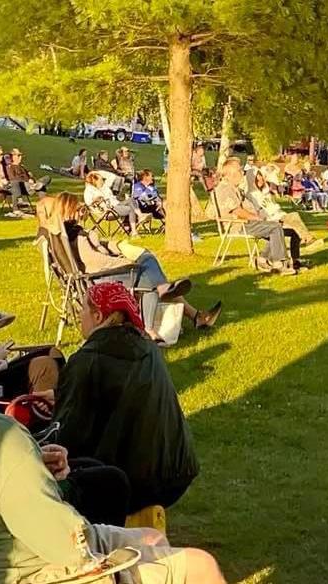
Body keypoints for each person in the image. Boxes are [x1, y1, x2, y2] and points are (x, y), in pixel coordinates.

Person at [0, 292, 225, 584]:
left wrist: (28, 465)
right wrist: (24, 465)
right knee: (199, 565)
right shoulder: (2, 439)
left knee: (153, 537)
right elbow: (69, 546)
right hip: (15, 572)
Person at [55, 282, 203, 513]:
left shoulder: (88, 360)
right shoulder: (148, 348)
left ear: (97, 315)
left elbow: (67, 436)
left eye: (83, 308)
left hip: (129, 485)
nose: (79, 315)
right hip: (176, 473)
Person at [44, 193, 222, 330]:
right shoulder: (77, 235)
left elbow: (95, 250)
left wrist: (114, 247)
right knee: (146, 259)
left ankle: (194, 314)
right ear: (69, 210)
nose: (83, 211)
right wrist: (124, 262)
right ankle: (174, 300)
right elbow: (94, 260)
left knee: (149, 265)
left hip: (97, 276)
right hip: (102, 277)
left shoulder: (67, 233)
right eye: (79, 208)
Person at [212, 158, 300, 274]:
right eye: (240, 171)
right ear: (231, 173)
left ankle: (262, 260)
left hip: (247, 222)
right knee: (275, 227)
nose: (242, 174)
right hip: (238, 225)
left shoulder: (235, 188)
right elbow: (237, 211)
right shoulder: (224, 188)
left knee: (280, 227)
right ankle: (279, 263)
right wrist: (255, 218)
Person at [245, 168, 322, 249]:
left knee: (295, 229)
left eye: (260, 176)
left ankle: (296, 259)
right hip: (269, 221)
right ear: (251, 181)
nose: (260, 180)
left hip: (278, 216)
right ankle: (309, 239)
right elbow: (257, 212)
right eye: (257, 179)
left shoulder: (265, 191)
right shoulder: (251, 195)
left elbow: (273, 189)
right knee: (293, 217)